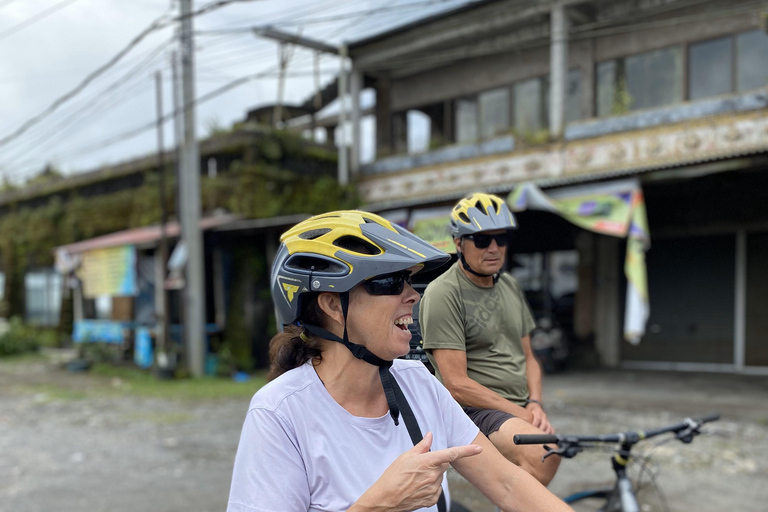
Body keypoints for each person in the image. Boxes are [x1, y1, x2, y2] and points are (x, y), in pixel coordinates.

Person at [227, 210, 572, 512]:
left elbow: (508, 485)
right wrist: (379, 505)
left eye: (409, 280)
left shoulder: (418, 383)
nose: (413, 296)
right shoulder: (279, 413)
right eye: (390, 282)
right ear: (332, 305)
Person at [420, 192, 560, 486]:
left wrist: (535, 403)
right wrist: (522, 413)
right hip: (475, 410)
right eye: (482, 240)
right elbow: (457, 385)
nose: (494, 248)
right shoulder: (444, 293)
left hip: (517, 407)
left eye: (501, 238)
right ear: (459, 243)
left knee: (537, 470)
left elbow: (529, 357)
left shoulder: (509, 285)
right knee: (544, 453)